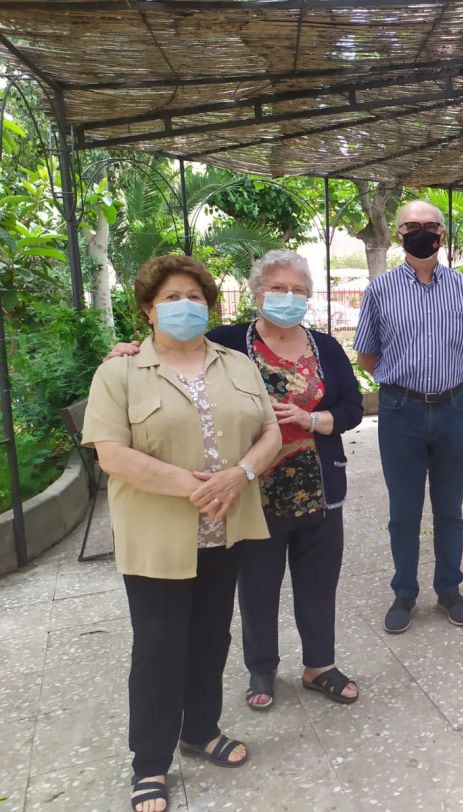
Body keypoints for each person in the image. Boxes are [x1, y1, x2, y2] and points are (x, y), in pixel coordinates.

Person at [108, 250, 365, 711]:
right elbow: (172, 353)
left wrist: (315, 419)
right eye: (278, 289)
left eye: (298, 291)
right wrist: (127, 350)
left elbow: (352, 406)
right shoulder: (229, 341)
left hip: (319, 487)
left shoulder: (325, 347)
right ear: (257, 293)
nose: (289, 298)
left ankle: (319, 664)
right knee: (257, 586)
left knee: (318, 582)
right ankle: (261, 668)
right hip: (249, 491)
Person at [83, 255, 281, 812]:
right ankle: (149, 763)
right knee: (159, 650)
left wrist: (238, 475)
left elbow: (268, 432)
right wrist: (194, 487)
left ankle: (201, 730)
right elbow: (111, 453)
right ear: (148, 309)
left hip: (226, 531)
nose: (184, 306)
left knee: (212, 638)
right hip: (158, 537)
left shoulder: (237, 365)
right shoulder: (118, 372)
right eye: (171, 298)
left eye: (194, 296)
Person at [353, 198, 463, 634]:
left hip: (454, 407)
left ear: (442, 234)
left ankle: (449, 590)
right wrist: (407, 385)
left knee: (450, 508)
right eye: (410, 226)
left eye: (429, 225)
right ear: (398, 234)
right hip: (400, 410)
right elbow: (366, 356)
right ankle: (405, 592)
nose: (420, 232)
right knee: (404, 510)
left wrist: (444, 381)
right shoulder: (379, 290)